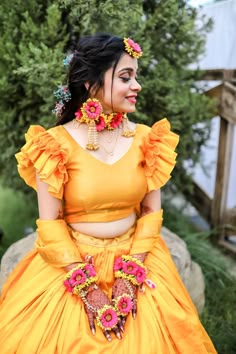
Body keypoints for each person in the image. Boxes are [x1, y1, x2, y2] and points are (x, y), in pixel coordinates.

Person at [0, 34, 217, 354]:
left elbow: (151, 214)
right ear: (90, 84)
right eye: (125, 77)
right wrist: (89, 290)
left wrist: (131, 275)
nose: (137, 86)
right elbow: (50, 225)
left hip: (137, 255)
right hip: (73, 262)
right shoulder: (53, 144)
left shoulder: (147, 139)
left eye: (136, 77)